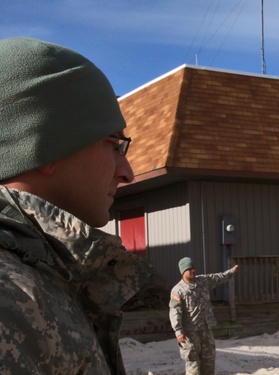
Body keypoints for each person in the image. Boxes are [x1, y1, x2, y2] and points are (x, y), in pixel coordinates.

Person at [0, 37, 152, 373]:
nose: (127, 173)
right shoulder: (13, 298)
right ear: (45, 146)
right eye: (113, 144)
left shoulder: (39, 275)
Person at [169, 257, 239, 375]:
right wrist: (178, 331)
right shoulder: (178, 290)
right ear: (183, 271)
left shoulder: (203, 281)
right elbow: (175, 311)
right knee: (193, 366)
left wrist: (231, 271)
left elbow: (219, 277)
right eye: (189, 269)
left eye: (193, 268)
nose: (192, 271)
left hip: (206, 330)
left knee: (209, 362)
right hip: (190, 334)